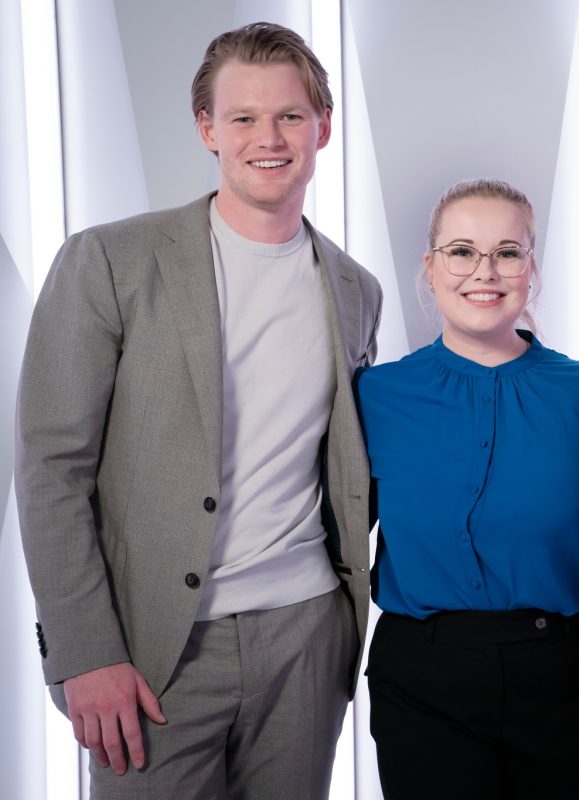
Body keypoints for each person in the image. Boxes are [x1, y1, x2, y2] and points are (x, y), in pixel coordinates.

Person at [15, 22, 382, 798]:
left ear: (324, 126)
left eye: (290, 115)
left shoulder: (354, 289)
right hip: (154, 650)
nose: (269, 137)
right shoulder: (111, 261)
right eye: (243, 117)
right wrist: (84, 651)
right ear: (207, 129)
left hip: (305, 636)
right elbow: (50, 469)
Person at [355, 179, 579, 799]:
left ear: (532, 269)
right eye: (462, 251)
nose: (484, 271)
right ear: (431, 268)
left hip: (559, 674)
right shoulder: (376, 396)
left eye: (508, 252)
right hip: (421, 677)